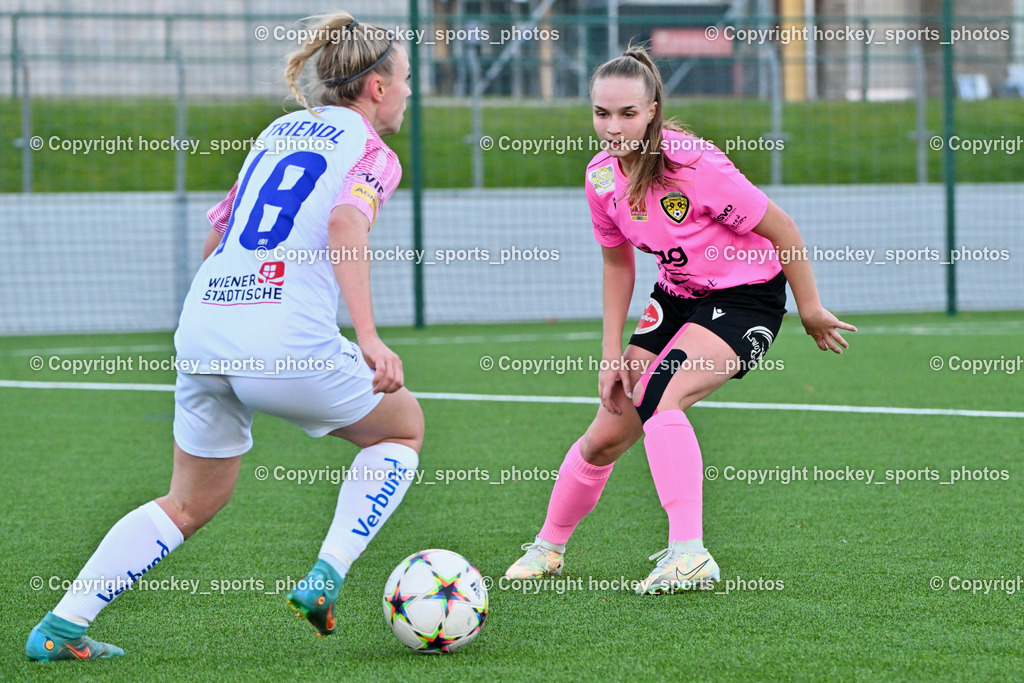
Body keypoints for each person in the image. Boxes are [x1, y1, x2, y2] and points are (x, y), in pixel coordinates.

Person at [26, 13, 423, 661]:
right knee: (401, 429)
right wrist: (371, 337)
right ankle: (325, 576)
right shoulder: (372, 152)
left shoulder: (275, 133)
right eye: (406, 80)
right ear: (376, 86)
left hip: (205, 324)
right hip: (282, 337)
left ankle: (60, 628)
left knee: (190, 499)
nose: (410, 92)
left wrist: (219, 312)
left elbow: (220, 233)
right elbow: (348, 225)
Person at [505, 44, 855, 594]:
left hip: (745, 298)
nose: (613, 126)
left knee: (660, 396)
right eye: (601, 113)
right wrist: (610, 351)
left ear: (652, 110)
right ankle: (548, 548)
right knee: (607, 430)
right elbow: (617, 261)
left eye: (627, 113)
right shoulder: (601, 178)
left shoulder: (696, 165)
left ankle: (690, 555)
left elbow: (782, 229)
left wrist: (808, 307)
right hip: (675, 296)